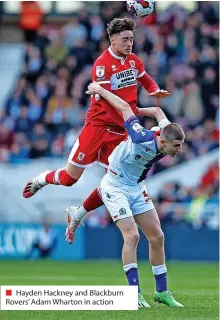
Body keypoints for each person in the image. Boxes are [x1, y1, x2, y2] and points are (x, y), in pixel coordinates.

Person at [23, 17, 169, 234]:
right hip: (98, 127)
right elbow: (109, 103)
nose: (129, 44)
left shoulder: (133, 61)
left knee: (115, 182)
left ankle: (78, 213)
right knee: (69, 179)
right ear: (112, 40)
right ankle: (42, 179)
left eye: (131, 39)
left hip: (120, 131)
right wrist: (131, 122)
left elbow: (144, 77)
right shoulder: (102, 66)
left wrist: (154, 90)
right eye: (124, 40)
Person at [65, 81, 184, 308]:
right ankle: (133, 294)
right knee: (132, 236)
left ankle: (162, 292)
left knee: (157, 237)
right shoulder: (141, 137)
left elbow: (158, 111)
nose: (179, 150)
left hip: (137, 187)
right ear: (162, 141)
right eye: (176, 146)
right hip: (116, 184)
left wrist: (140, 108)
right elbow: (125, 109)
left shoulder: (166, 131)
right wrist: (100, 90)